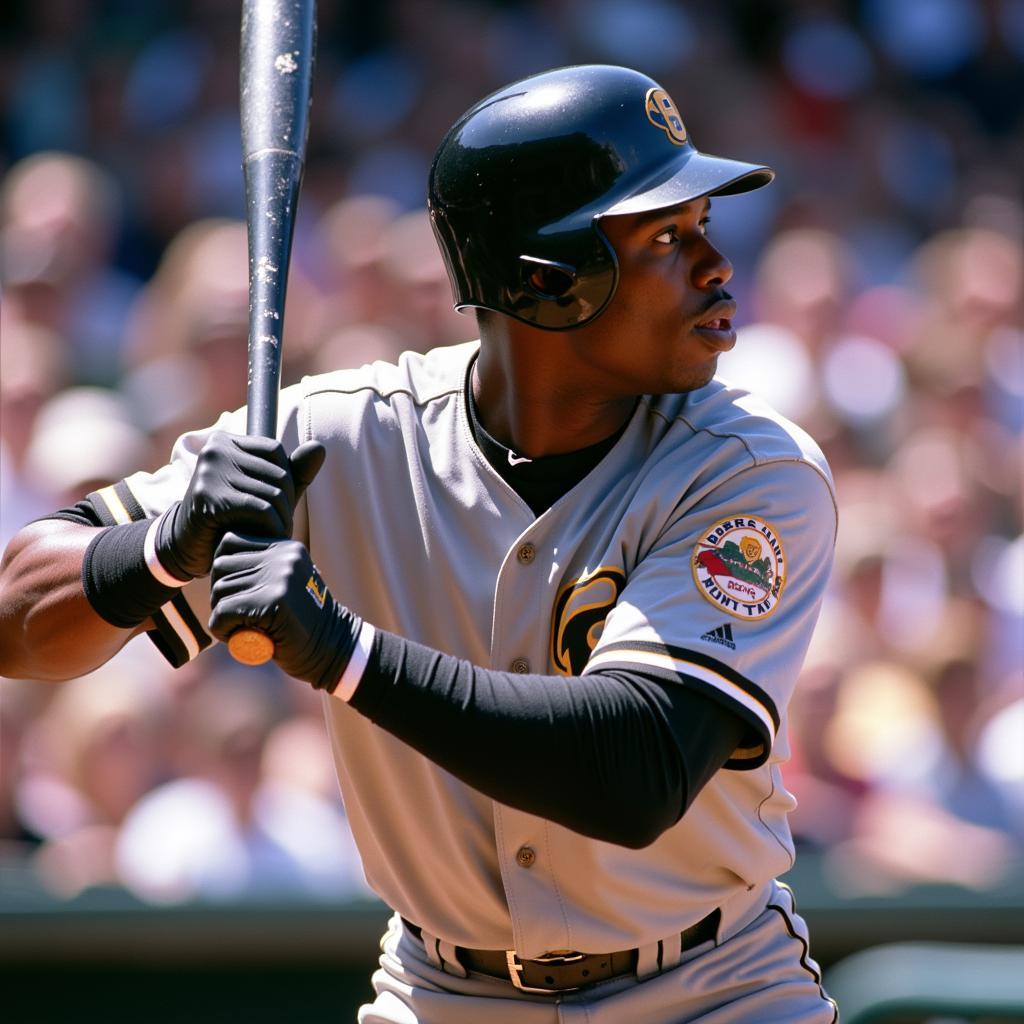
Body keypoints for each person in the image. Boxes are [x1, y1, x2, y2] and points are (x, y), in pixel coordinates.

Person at [0, 65, 839, 1022]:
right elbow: (16, 621)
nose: (715, 266)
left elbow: (634, 770)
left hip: (709, 990)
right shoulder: (346, 434)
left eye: (703, 229)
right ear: (546, 284)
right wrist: (165, 544)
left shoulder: (749, 467)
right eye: (665, 237)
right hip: (442, 993)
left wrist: (342, 653)